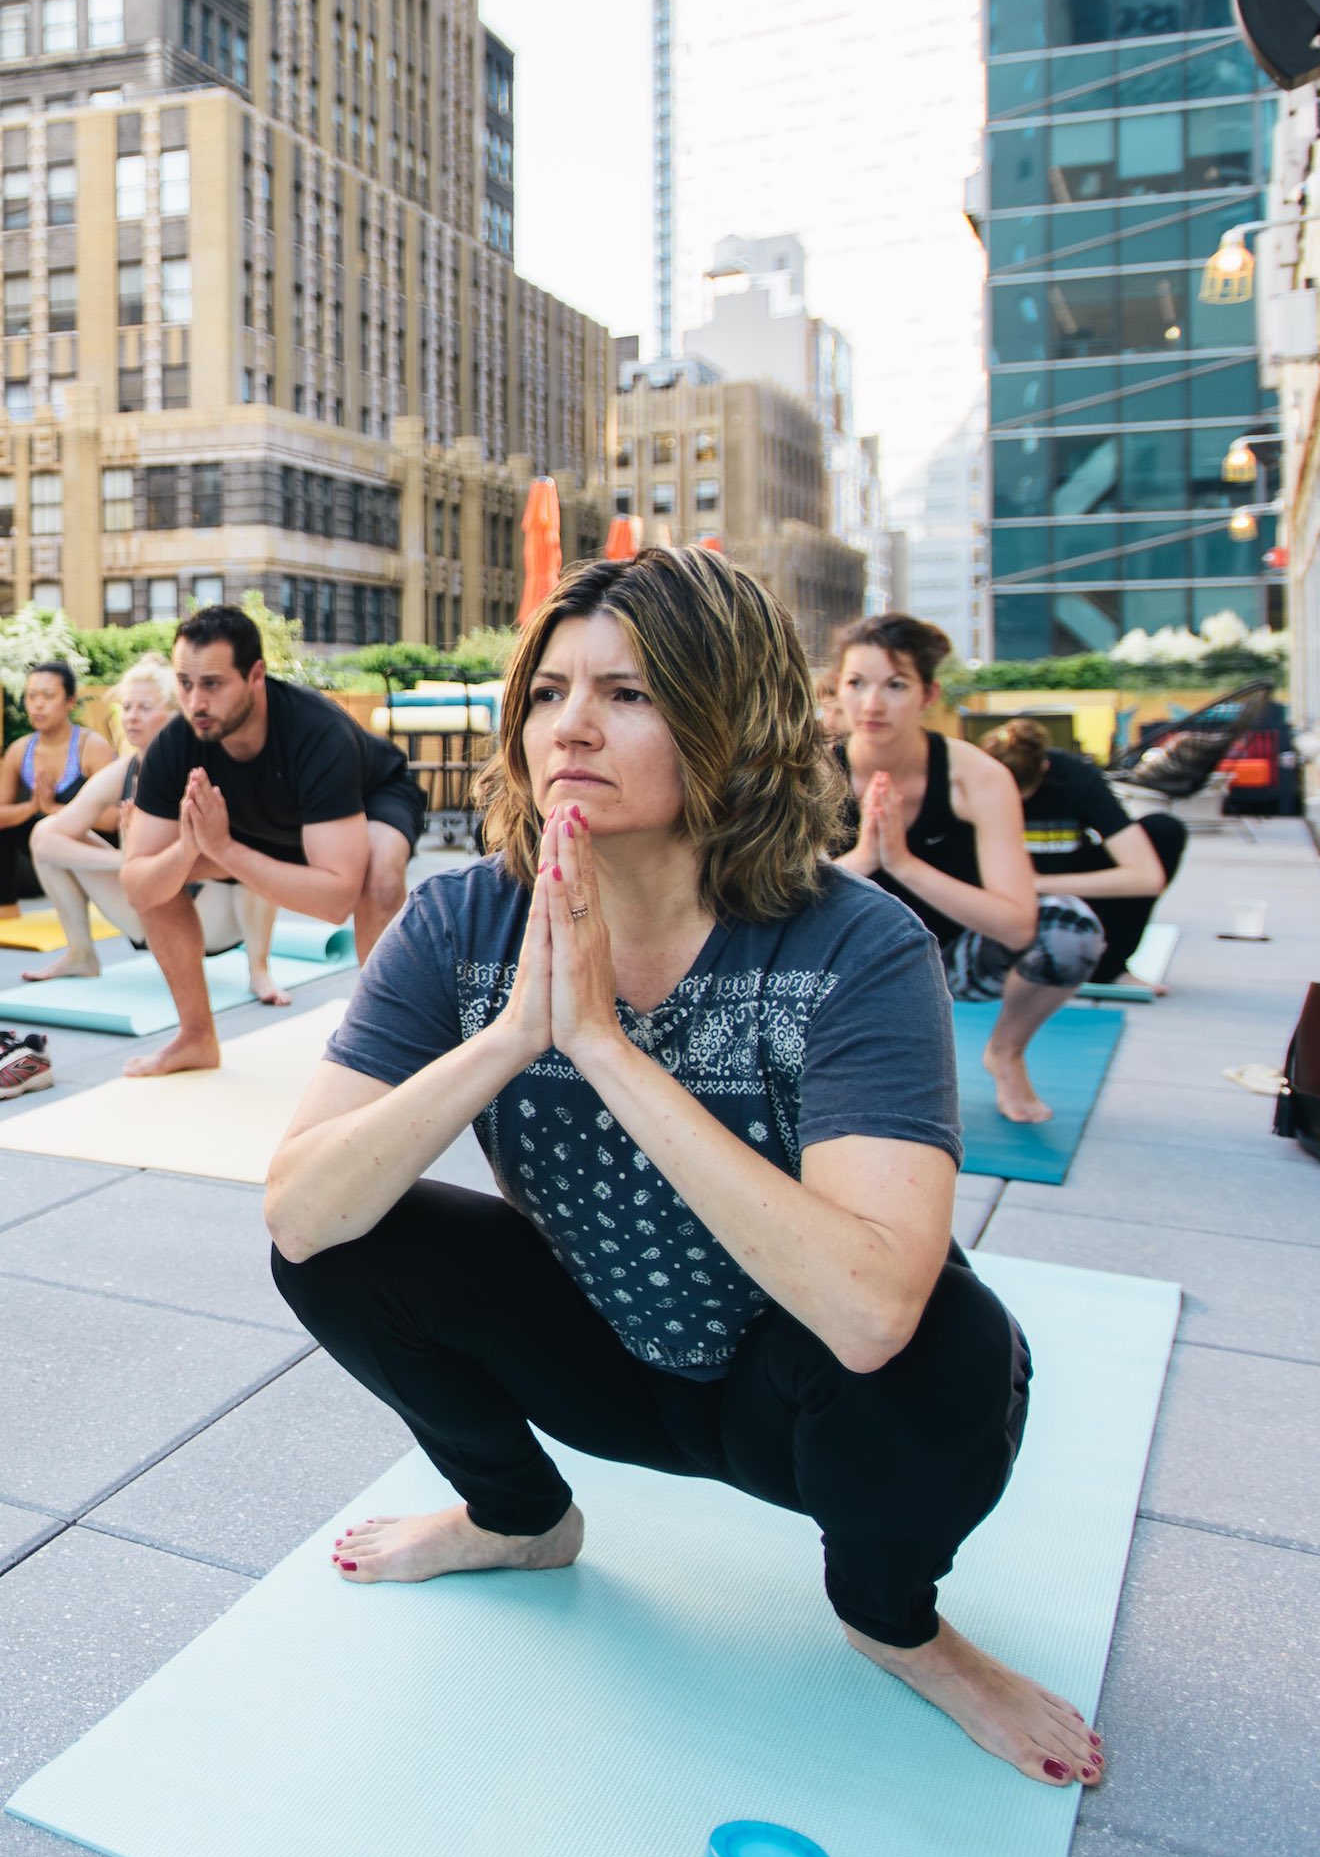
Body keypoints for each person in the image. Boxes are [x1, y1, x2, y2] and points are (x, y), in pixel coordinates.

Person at [263, 547, 1099, 1792]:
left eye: (628, 694)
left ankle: (894, 1623)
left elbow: (870, 1311)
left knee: (946, 1342)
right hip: (598, 1355)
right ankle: (517, 1519)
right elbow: (295, 1207)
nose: (571, 728)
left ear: (729, 718)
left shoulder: (854, 945)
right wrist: (507, 1039)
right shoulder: (462, 922)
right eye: (546, 694)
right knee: (344, 1236)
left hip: (801, 1400)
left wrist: (601, 1044)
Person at [117, 605, 421, 1076]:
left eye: (212, 684)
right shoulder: (174, 745)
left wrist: (224, 851)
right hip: (255, 827)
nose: (195, 702)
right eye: (184, 683)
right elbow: (136, 887)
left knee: (379, 878)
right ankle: (195, 1037)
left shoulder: (316, 732)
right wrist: (188, 851)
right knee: (162, 876)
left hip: (367, 801)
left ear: (255, 675)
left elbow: (335, 899)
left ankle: (386, 1048)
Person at [830, 614, 1104, 1124]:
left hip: (950, 959)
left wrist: (904, 864)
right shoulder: (810, 773)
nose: (872, 704)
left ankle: (1006, 1052)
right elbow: (775, 900)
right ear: (837, 689)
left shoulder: (977, 777)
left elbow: (1018, 924)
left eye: (896, 685)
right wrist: (864, 861)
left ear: (929, 695)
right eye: (856, 683)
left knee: (1071, 932)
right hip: (839, 965)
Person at [21, 656, 285, 999]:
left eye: (145, 707)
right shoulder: (126, 770)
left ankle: (259, 970)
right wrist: (126, 861)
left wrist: (164, 858)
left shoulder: (208, 767)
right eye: (127, 707)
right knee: (44, 833)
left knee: (256, 851)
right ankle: (81, 954)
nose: (131, 716)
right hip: (145, 908)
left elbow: (237, 855)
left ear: (178, 713)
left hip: (211, 918)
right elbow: (48, 840)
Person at [974, 717, 1187, 995]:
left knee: (1163, 831)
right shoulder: (970, 780)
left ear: (1044, 767)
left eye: (1021, 796)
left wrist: (1037, 883)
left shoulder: (1073, 776)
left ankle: (1107, 969)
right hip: (996, 901)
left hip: (1065, 892)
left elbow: (1146, 876)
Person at [0, 661, 114, 922]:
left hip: (96, 848)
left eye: (48, 696)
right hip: (49, 845)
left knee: (52, 825)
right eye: (31, 696)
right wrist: (32, 807)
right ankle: (4, 904)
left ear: (70, 701)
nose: (38, 704)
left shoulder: (92, 748)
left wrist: (54, 810)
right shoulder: (19, 750)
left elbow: (115, 820)